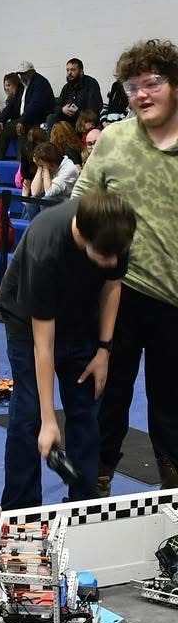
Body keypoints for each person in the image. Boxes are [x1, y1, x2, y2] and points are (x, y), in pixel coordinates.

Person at [73, 39, 178, 493]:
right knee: (106, 398)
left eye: (152, 83)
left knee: (172, 406)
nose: (141, 94)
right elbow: (78, 207)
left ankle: (172, 496)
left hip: (174, 302)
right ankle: (92, 491)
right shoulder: (113, 141)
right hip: (117, 295)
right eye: (131, 86)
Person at [0, 191, 136, 510]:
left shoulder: (115, 232)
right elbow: (43, 345)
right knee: (29, 412)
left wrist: (104, 350)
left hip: (80, 316)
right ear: (81, 236)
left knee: (86, 407)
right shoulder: (46, 247)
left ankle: (83, 502)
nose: (114, 262)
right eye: (105, 255)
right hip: (27, 319)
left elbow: (113, 285)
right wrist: (49, 421)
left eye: (119, 254)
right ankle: (20, 508)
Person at [0, 61, 54, 160]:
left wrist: (22, 121)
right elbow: (12, 104)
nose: (22, 76)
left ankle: (22, 165)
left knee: (21, 130)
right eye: (20, 74)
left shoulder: (40, 83)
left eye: (24, 73)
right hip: (25, 118)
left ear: (32, 72)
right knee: (3, 129)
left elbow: (35, 106)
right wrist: (1, 119)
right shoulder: (23, 85)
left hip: (38, 119)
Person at [24, 142, 80, 219]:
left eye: (42, 164)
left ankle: (46, 229)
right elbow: (35, 192)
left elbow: (49, 192)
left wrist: (45, 167)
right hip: (55, 198)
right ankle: (37, 229)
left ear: (51, 162)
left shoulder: (69, 169)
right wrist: (40, 168)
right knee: (32, 201)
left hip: (69, 202)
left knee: (46, 200)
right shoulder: (48, 166)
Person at [47, 58, 103, 131]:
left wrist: (78, 112)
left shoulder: (91, 84)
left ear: (81, 71)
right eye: (67, 70)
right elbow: (57, 106)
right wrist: (62, 110)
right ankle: (53, 142)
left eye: (73, 70)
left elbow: (94, 109)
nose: (69, 73)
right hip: (69, 121)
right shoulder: (66, 87)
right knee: (51, 118)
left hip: (84, 121)